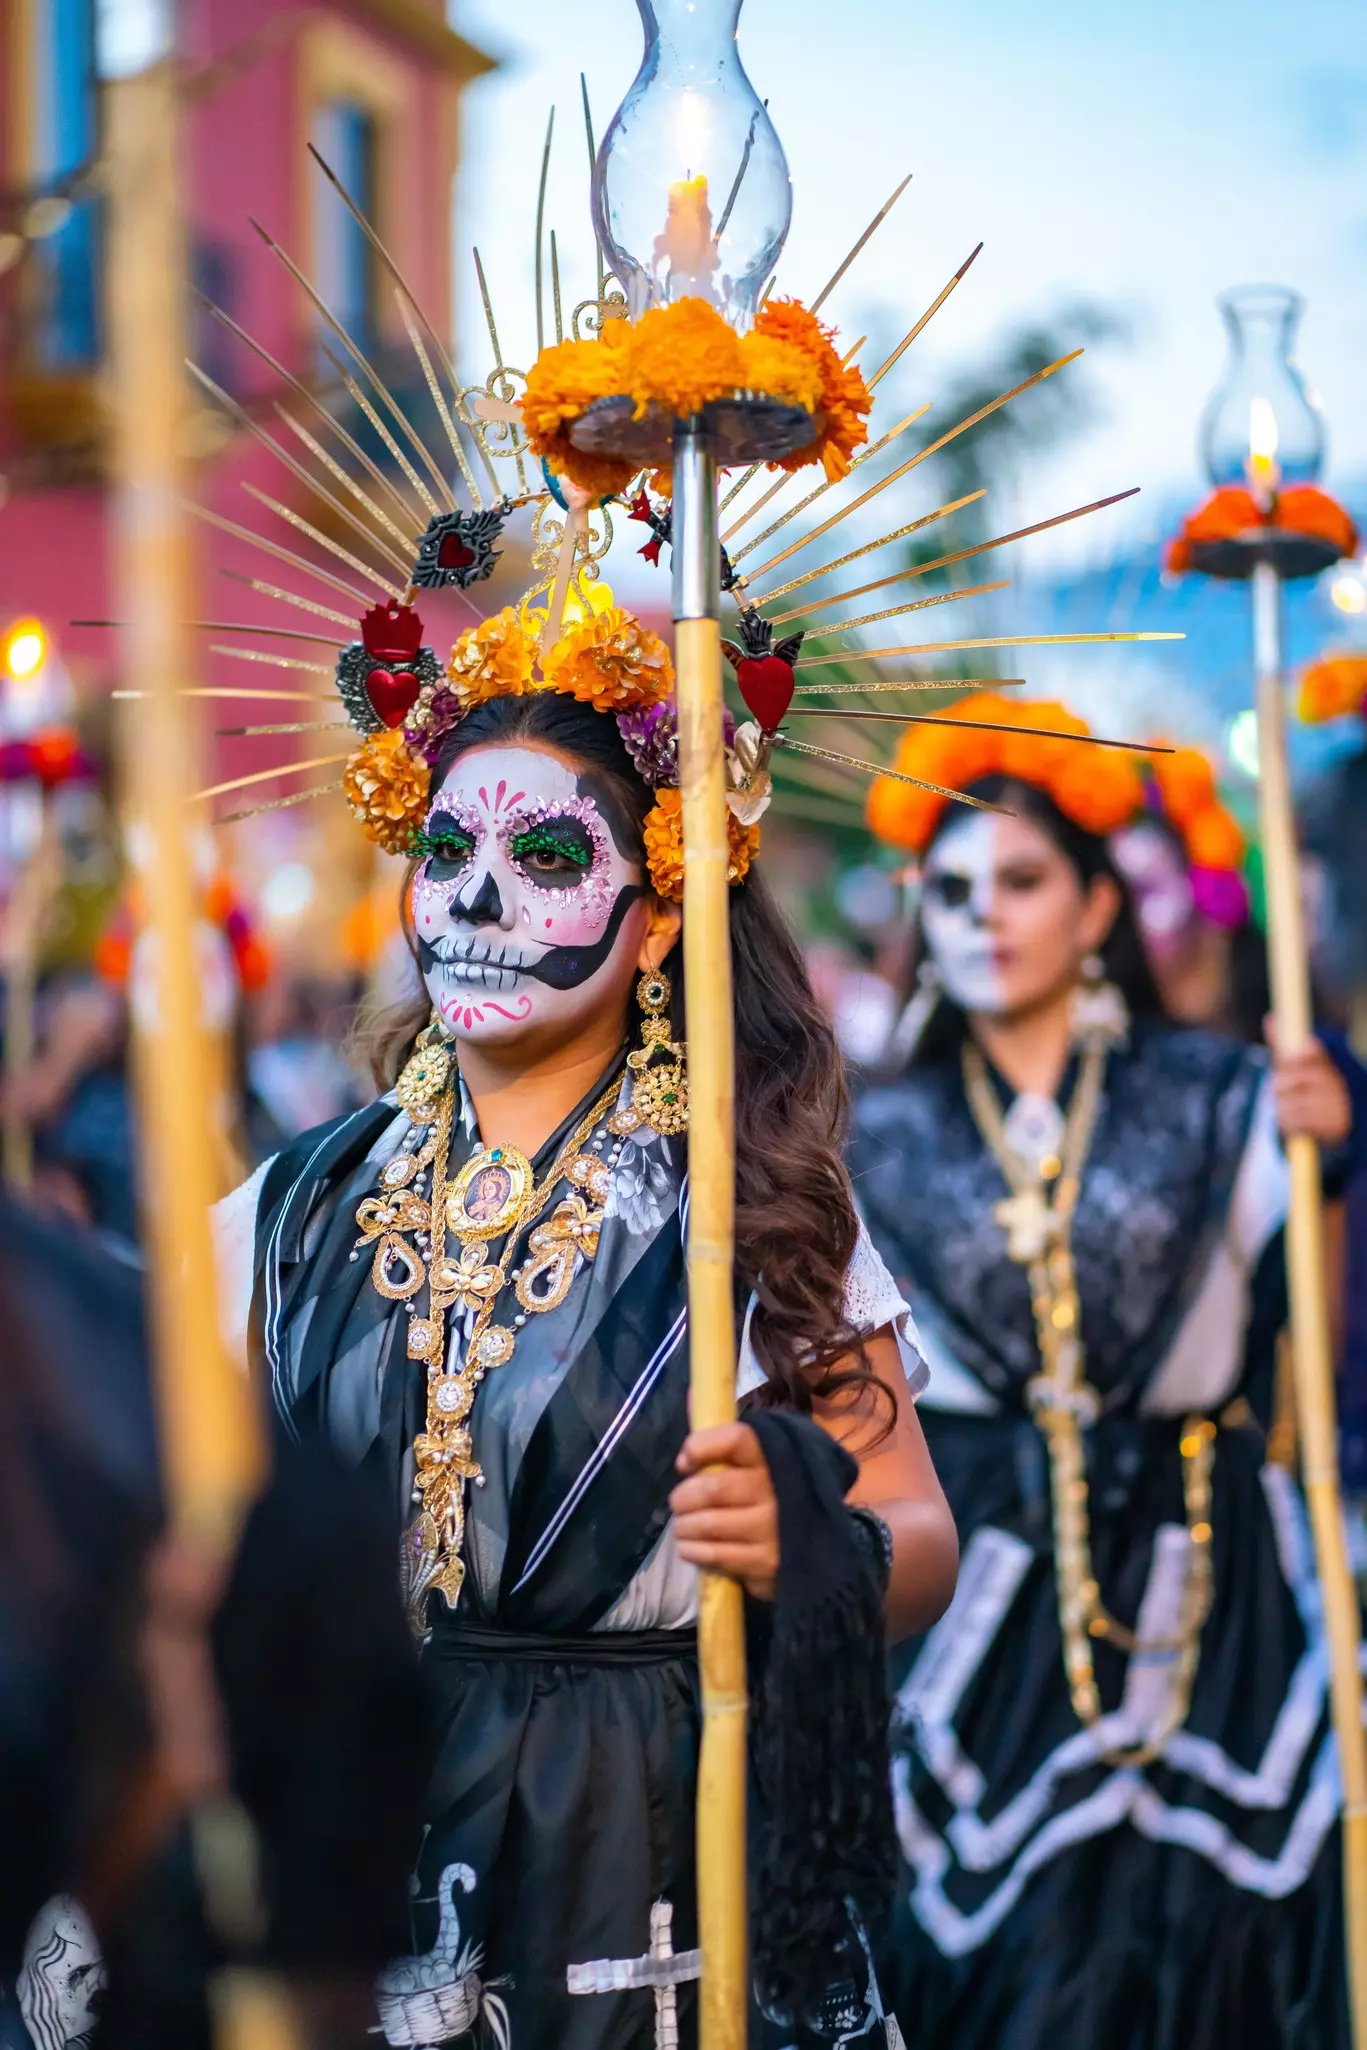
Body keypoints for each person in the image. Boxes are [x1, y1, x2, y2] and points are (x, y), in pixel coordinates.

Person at [213, 597, 958, 2048]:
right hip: (357, 1833)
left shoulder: (752, 1201)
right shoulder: (287, 1206)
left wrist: (802, 1533)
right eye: (448, 851)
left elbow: (917, 1529)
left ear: (659, 905)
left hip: (640, 1850)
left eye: (545, 856)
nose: (476, 901)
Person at [850, 695, 1353, 2050]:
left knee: (1212, 1956)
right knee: (992, 1966)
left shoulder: (1229, 1092)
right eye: (947, 888)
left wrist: (1336, 1120)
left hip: (1204, 1568)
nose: (979, 915)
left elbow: (1311, 1324)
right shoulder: (858, 1131)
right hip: (970, 1587)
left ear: (1091, 908)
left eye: (1018, 880)